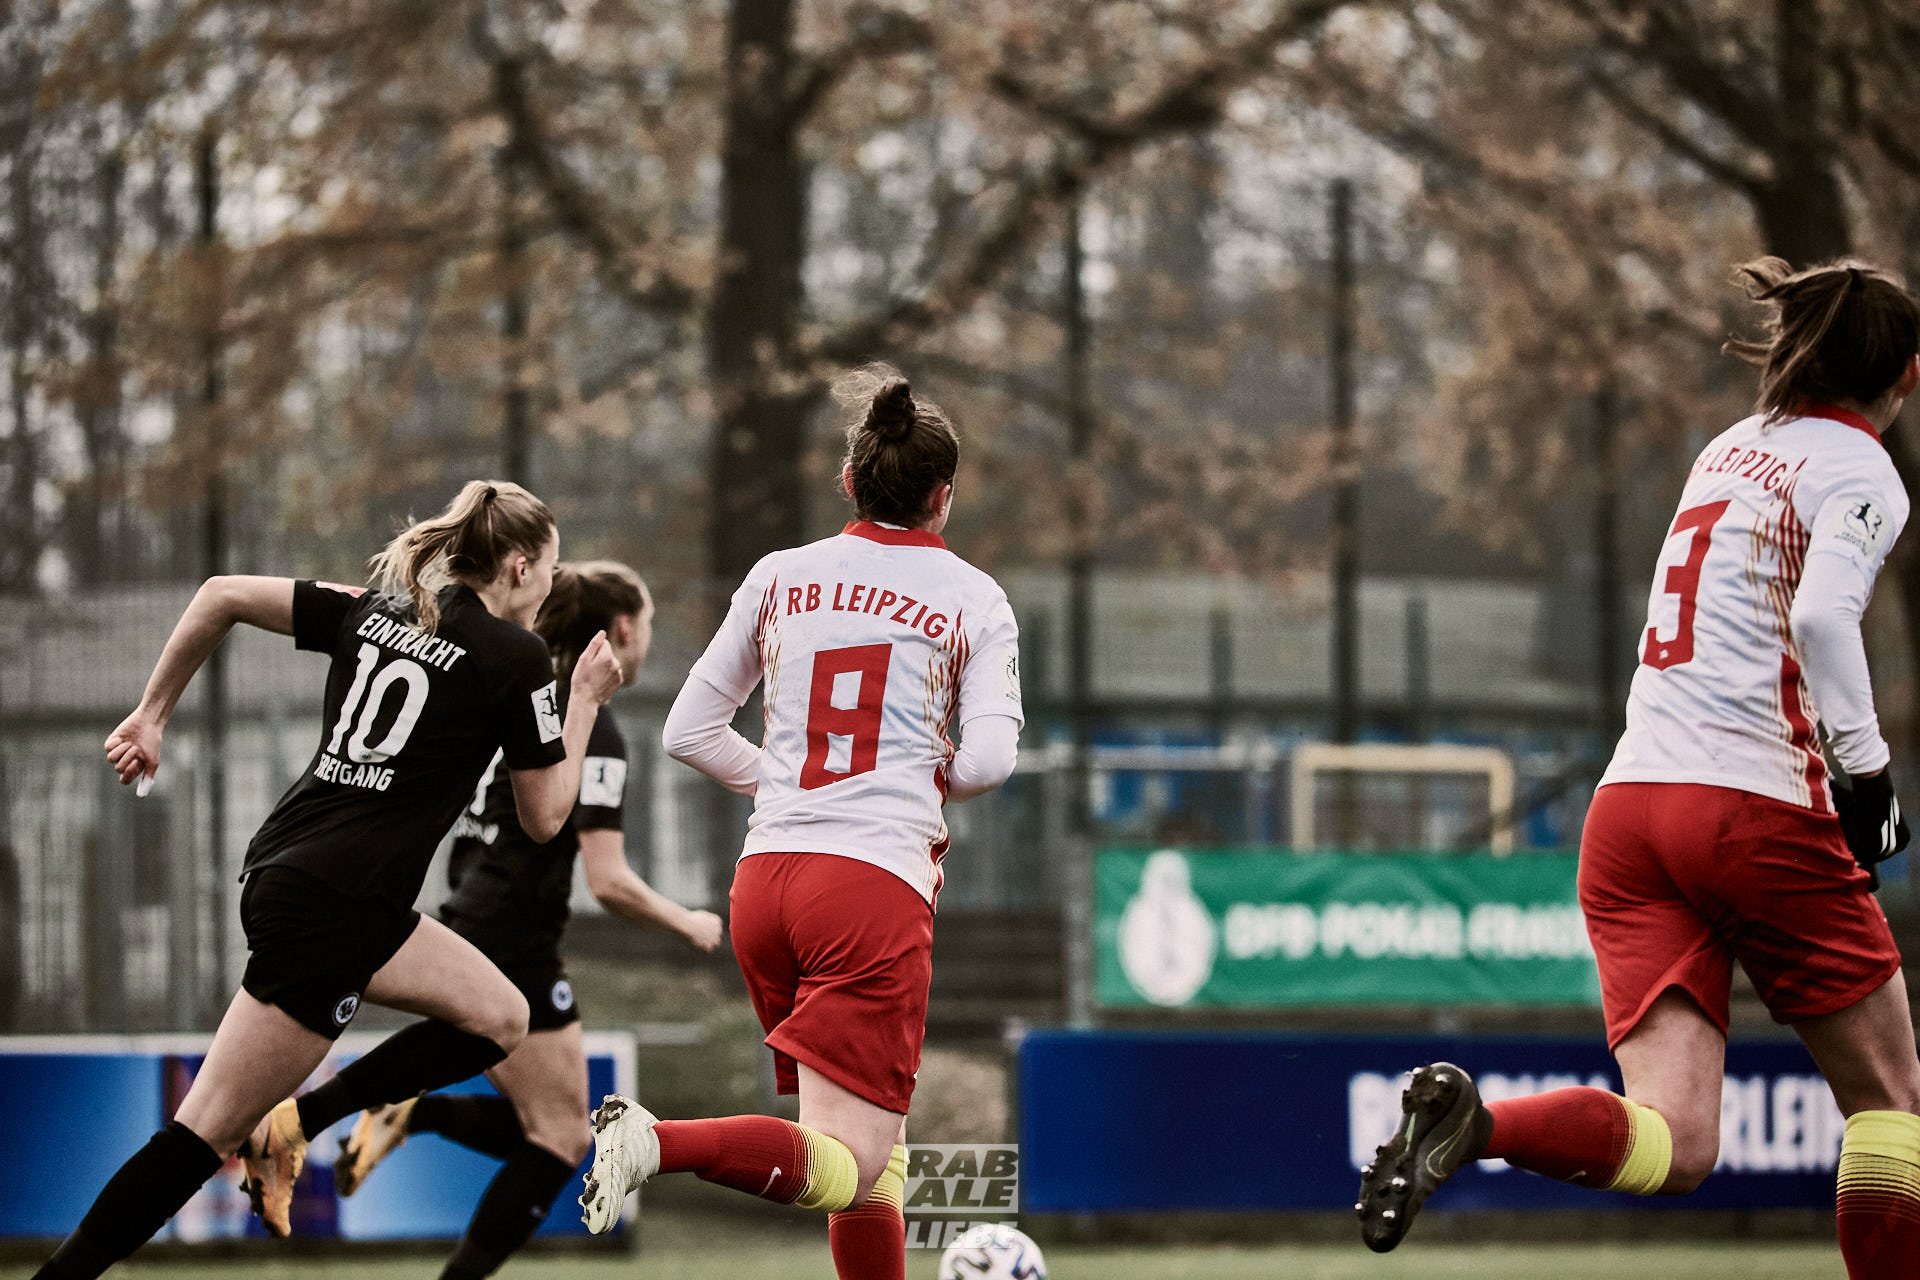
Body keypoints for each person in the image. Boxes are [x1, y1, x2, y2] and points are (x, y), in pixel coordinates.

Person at [1355, 258, 1920, 1279]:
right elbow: (1822, 617)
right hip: (1749, 806)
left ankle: (1479, 1125)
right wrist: (1869, 777)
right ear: (1908, 375)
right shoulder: (1862, 468)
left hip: (1629, 813)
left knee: (1677, 1138)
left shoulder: (1729, 449)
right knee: (1890, 1103)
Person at [32, 481, 624, 1279]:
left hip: (297, 873)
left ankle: (298, 1122)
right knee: (202, 1134)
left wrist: (151, 715)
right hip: (338, 906)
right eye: (550, 567)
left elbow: (222, 593)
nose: (551, 584)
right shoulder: (514, 658)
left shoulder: (380, 609)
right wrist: (582, 701)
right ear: (520, 567)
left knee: (500, 1015)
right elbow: (547, 816)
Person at [577, 366, 1024, 1280]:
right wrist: (902, 780)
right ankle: (657, 1143)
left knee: (873, 1163)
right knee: (849, 1161)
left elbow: (689, 732)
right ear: (943, 496)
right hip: (866, 891)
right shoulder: (974, 596)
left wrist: (785, 785)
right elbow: (987, 764)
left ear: (850, 480)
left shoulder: (780, 574)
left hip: (767, 884)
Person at [330, 561, 723, 1280]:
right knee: (563, 1137)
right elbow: (608, 880)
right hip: (514, 938)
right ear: (624, 628)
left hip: (470, 914)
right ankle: (408, 1130)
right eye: (648, 624)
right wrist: (688, 923)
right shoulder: (592, 725)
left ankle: (412, 1113)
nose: (646, 639)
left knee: (552, 1130)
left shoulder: (522, 694)